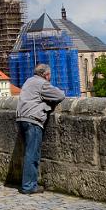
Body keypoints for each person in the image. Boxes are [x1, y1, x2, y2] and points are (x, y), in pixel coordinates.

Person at [15, 63, 65, 194]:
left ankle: (28, 184)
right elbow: (60, 96)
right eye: (50, 76)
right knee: (32, 154)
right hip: (33, 120)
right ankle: (29, 186)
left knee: (29, 152)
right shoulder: (42, 83)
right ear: (46, 75)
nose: (50, 78)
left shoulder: (29, 81)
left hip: (22, 118)